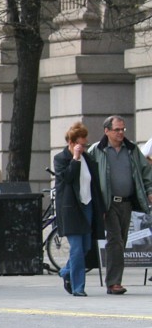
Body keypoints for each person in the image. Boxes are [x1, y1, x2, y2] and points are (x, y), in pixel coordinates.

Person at [87, 115, 152, 294]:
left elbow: (145, 171)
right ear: (106, 131)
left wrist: (149, 191)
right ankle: (114, 283)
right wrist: (95, 204)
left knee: (121, 241)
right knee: (115, 240)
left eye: (123, 129)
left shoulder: (131, 149)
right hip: (107, 203)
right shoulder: (96, 150)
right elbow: (86, 177)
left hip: (126, 203)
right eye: (117, 129)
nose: (121, 133)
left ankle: (113, 280)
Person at [53, 122, 105, 297]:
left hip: (87, 205)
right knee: (76, 248)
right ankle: (78, 287)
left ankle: (65, 272)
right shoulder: (61, 159)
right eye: (81, 144)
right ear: (71, 142)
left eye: (85, 144)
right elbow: (67, 178)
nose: (83, 148)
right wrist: (75, 159)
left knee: (85, 247)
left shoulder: (88, 159)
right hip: (71, 209)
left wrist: (101, 208)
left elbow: (94, 185)